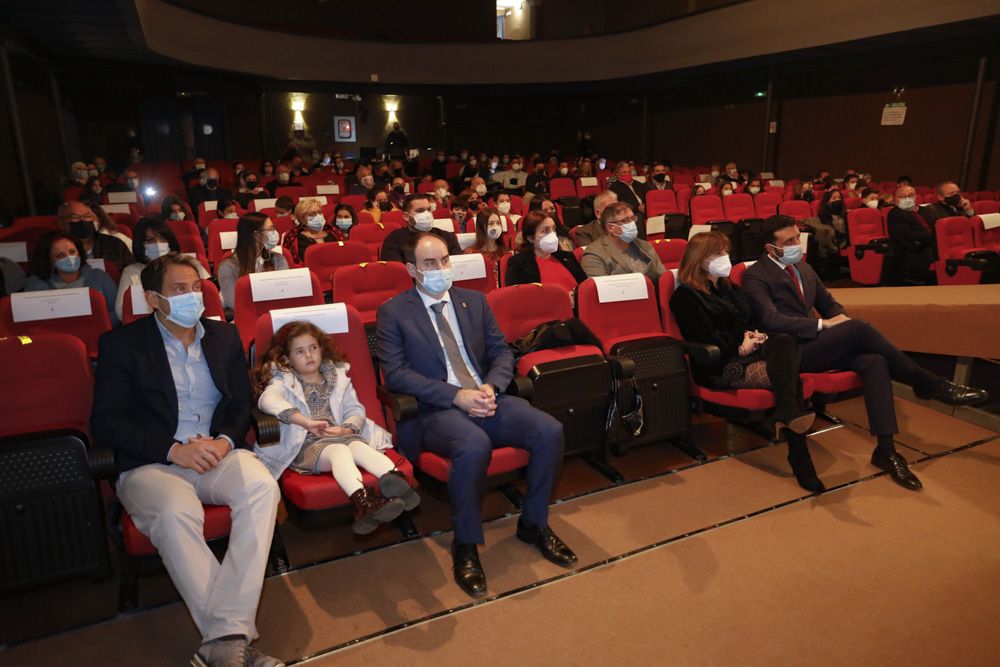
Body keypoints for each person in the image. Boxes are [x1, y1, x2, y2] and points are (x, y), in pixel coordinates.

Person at [90, 252, 282, 667]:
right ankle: (234, 643)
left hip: (215, 452)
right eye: (179, 290)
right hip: (151, 461)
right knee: (177, 512)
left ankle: (220, 644)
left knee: (262, 487)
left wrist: (226, 441)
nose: (192, 296)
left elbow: (239, 404)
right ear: (153, 299)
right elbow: (106, 422)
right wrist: (173, 450)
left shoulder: (223, 336)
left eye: (196, 288)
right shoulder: (122, 344)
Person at [377, 233, 577, 597]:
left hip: (487, 397)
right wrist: (458, 396)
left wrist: (491, 388)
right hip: (436, 409)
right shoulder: (394, 312)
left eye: (444, 261)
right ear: (412, 269)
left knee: (549, 430)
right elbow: (397, 374)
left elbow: (502, 352)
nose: (440, 269)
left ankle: (533, 523)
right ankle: (466, 544)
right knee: (474, 445)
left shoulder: (474, 301)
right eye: (429, 264)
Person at [741, 216, 989, 491]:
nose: (796, 244)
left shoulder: (803, 268)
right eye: (787, 242)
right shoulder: (755, 275)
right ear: (769, 248)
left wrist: (838, 323)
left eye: (797, 238)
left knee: (874, 360)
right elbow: (771, 319)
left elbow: (830, 305)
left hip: (819, 344)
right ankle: (928, 383)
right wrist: (824, 325)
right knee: (858, 328)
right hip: (787, 353)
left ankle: (886, 450)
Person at [670, 231, 820, 491]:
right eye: (718, 253)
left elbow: (750, 320)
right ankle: (799, 453)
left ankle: (787, 419)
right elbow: (702, 338)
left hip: (751, 351)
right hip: (722, 364)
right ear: (701, 259)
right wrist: (738, 348)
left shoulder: (730, 288)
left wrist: (755, 335)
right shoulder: (685, 297)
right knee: (790, 381)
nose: (725, 258)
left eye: (726, 252)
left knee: (783, 341)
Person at [252, 321, 419, 533]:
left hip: (341, 435)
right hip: (307, 445)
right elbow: (268, 401)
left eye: (313, 348)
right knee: (340, 451)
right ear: (287, 360)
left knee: (360, 447)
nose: (309, 355)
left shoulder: (337, 377)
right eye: (300, 352)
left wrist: (346, 429)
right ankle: (364, 504)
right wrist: (305, 422)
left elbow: (355, 410)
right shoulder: (283, 380)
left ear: (321, 348)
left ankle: (398, 483)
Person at [116, 217, 210, 320]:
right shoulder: (131, 272)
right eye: (150, 240)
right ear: (140, 245)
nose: (158, 243)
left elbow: (215, 295)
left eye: (163, 239)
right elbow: (121, 311)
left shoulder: (189, 264)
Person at [24, 232, 119, 326]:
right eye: (60, 255)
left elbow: (116, 313)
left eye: (72, 252)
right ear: (49, 260)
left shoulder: (99, 276)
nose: (69, 258)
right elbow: (34, 324)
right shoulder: (35, 284)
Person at [217, 213, 290, 309]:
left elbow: (287, 295)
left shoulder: (279, 259)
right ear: (256, 235)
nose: (275, 233)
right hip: (247, 317)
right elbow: (234, 303)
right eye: (270, 229)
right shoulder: (228, 267)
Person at [505, 210, 587, 295]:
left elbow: (585, 286)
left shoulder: (567, 257)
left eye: (553, 229)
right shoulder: (518, 263)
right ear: (531, 238)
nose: (552, 234)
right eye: (545, 231)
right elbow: (517, 298)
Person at [581, 202, 666, 281]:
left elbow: (663, 277)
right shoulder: (594, 254)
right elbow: (602, 290)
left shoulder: (645, 246)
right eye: (626, 220)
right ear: (611, 228)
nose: (632, 223)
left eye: (633, 218)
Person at [57, 201, 134, 275]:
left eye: (87, 216)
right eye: (75, 217)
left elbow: (131, 272)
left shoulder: (114, 244)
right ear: (61, 223)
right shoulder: (54, 248)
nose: (83, 220)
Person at [380, 194, 462, 263]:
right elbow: (398, 273)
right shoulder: (394, 240)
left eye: (429, 210)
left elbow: (458, 265)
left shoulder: (447, 236)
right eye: (420, 211)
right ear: (406, 216)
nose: (426, 214)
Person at [886, 185, 936, 285]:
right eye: (903, 196)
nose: (907, 199)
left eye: (911, 195)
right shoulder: (895, 213)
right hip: (914, 250)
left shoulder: (926, 210)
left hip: (931, 244)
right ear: (896, 199)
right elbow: (906, 235)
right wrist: (931, 238)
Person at [803, 189, 848, 279]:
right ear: (827, 201)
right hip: (830, 241)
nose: (837, 200)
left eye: (839, 198)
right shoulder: (824, 216)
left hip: (843, 241)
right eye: (834, 198)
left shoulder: (846, 215)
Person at [282, 198, 344, 264]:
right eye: (312, 214)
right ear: (302, 219)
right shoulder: (294, 238)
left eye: (319, 212)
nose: (318, 216)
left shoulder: (334, 233)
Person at [463, 208, 508, 288]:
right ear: (481, 227)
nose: (496, 227)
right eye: (491, 223)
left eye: (498, 223)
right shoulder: (470, 254)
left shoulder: (506, 252)